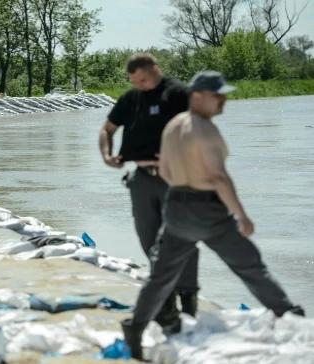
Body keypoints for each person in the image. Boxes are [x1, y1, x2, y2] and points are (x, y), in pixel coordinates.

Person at [121, 71, 305, 360]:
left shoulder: (172, 126)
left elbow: (166, 171)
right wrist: (241, 216)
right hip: (208, 211)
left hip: (177, 207)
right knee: (250, 266)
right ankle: (289, 315)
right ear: (197, 96)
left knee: (160, 276)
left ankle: (135, 327)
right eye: (217, 95)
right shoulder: (206, 129)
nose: (223, 100)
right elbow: (219, 177)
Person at [98, 53, 198, 331]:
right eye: (134, 81)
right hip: (141, 179)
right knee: (148, 240)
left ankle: (187, 299)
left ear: (155, 69)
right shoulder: (131, 99)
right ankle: (166, 304)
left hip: (175, 177)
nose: (139, 85)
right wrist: (107, 155)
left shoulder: (178, 94)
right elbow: (106, 130)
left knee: (181, 239)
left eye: (142, 79)